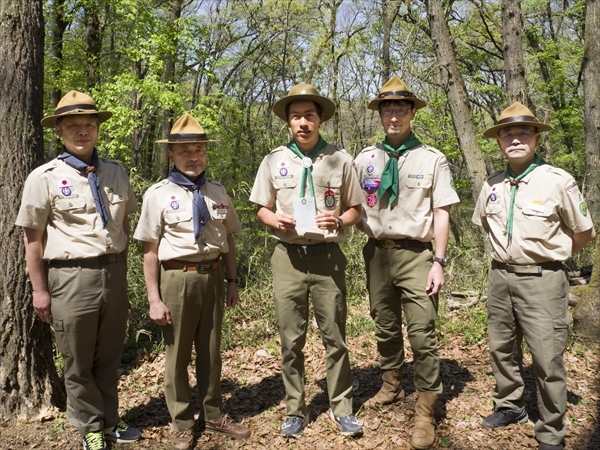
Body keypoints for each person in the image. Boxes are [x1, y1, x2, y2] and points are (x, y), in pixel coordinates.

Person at [16, 91, 141, 450]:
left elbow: (124, 228)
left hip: (113, 273)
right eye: (73, 125)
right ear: (59, 130)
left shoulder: (115, 171)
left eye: (89, 124)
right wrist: (40, 290)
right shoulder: (44, 177)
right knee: (78, 359)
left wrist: (120, 267)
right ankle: (91, 429)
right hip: (70, 278)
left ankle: (111, 421)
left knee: (110, 355)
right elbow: (33, 240)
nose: (82, 131)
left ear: (97, 129)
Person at [472, 102, 596, 450]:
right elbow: (485, 224)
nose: (514, 139)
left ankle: (551, 431)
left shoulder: (558, 181)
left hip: (542, 280)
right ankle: (509, 406)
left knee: (546, 357)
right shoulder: (492, 183)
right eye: (506, 133)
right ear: (498, 141)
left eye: (523, 132)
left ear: (536, 137)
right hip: (500, 277)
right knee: (502, 348)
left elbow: (584, 232)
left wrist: (553, 257)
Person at [249, 84, 364, 438]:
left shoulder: (340, 159)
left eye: (309, 116)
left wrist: (340, 220)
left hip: (328, 257)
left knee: (336, 337)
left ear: (321, 119)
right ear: (288, 122)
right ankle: (295, 409)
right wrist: (275, 220)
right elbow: (260, 210)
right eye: (296, 116)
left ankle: (341, 406)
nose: (303, 122)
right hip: (288, 258)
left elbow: (356, 208)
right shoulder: (273, 160)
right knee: (290, 339)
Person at [354, 76, 460, 449]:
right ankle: (391, 385)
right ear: (380, 115)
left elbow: (442, 212)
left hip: (417, 255)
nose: (394, 115)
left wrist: (439, 262)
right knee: (384, 325)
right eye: (387, 109)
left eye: (400, 109)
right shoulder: (365, 159)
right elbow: (348, 205)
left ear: (412, 112)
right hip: (378, 254)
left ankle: (427, 409)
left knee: (422, 334)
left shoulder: (432, 158)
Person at [133, 113, 249, 450]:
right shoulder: (157, 195)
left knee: (211, 353)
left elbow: (227, 240)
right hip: (177, 279)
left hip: (212, 278)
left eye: (199, 149)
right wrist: (154, 298)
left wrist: (232, 280)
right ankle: (182, 422)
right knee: (178, 354)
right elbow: (150, 251)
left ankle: (213, 414)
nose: (193, 156)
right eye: (184, 151)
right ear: (171, 155)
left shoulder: (217, 192)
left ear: (206, 153)